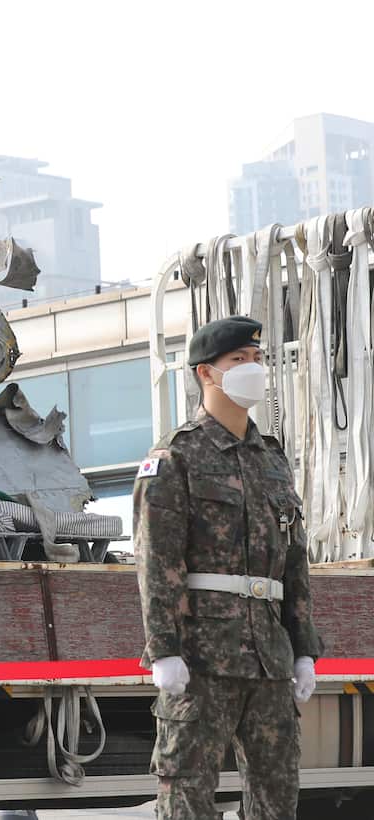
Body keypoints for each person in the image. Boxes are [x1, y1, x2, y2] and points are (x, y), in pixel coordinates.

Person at [133, 315, 323, 819]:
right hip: (202, 658)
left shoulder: (272, 459)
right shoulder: (176, 456)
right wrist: (163, 650)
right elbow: (156, 560)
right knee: (187, 793)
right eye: (239, 359)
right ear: (206, 373)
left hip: (269, 659)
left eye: (257, 358)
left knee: (277, 795)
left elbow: (294, 562)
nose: (253, 368)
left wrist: (304, 649)